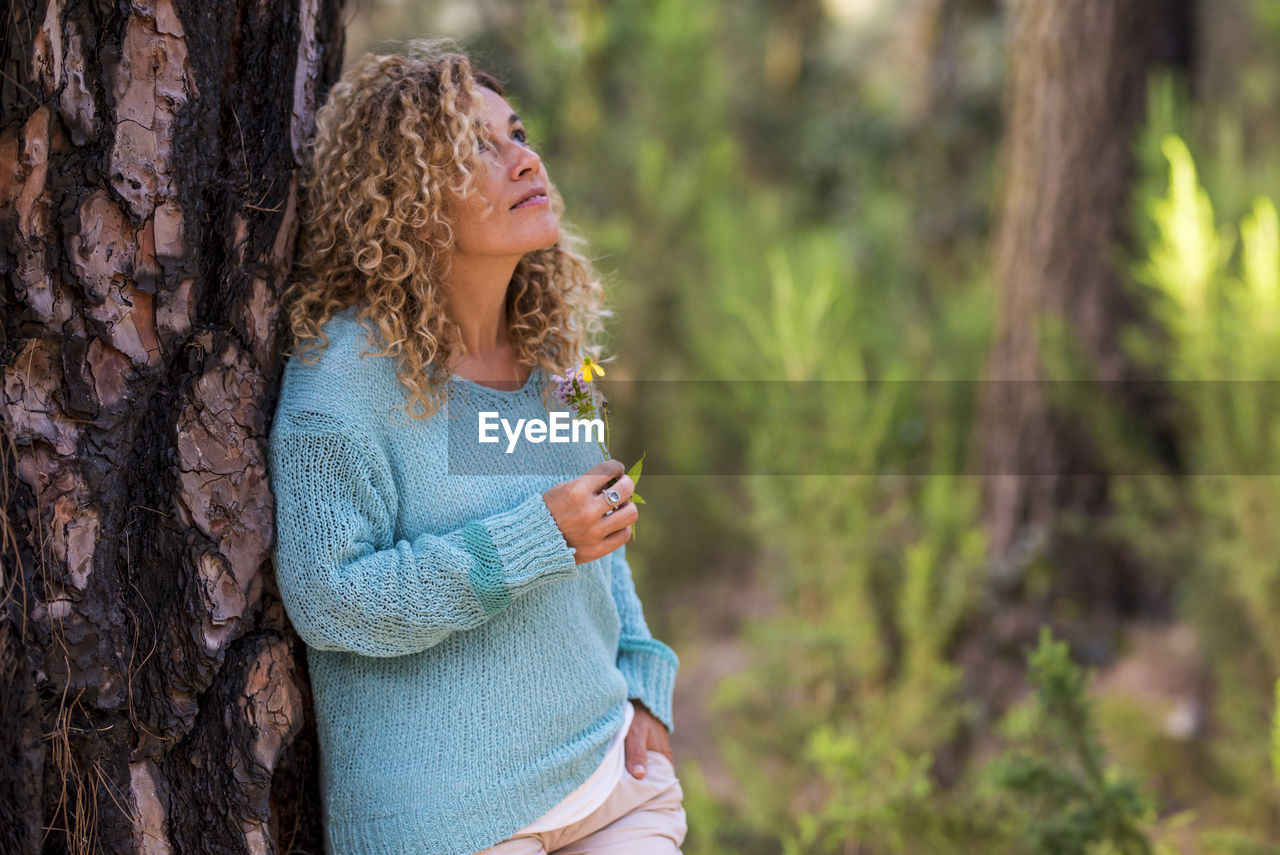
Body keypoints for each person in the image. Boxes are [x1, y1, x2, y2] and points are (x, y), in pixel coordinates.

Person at [267, 39, 686, 855]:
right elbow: (329, 596)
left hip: (611, 786)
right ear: (408, 201)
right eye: (477, 150)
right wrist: (534, 539)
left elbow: (597, 535)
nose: (523, 159)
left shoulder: (554, 359)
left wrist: (644, 679)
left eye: (518, 133)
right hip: (451, 825)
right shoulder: (344, 383)